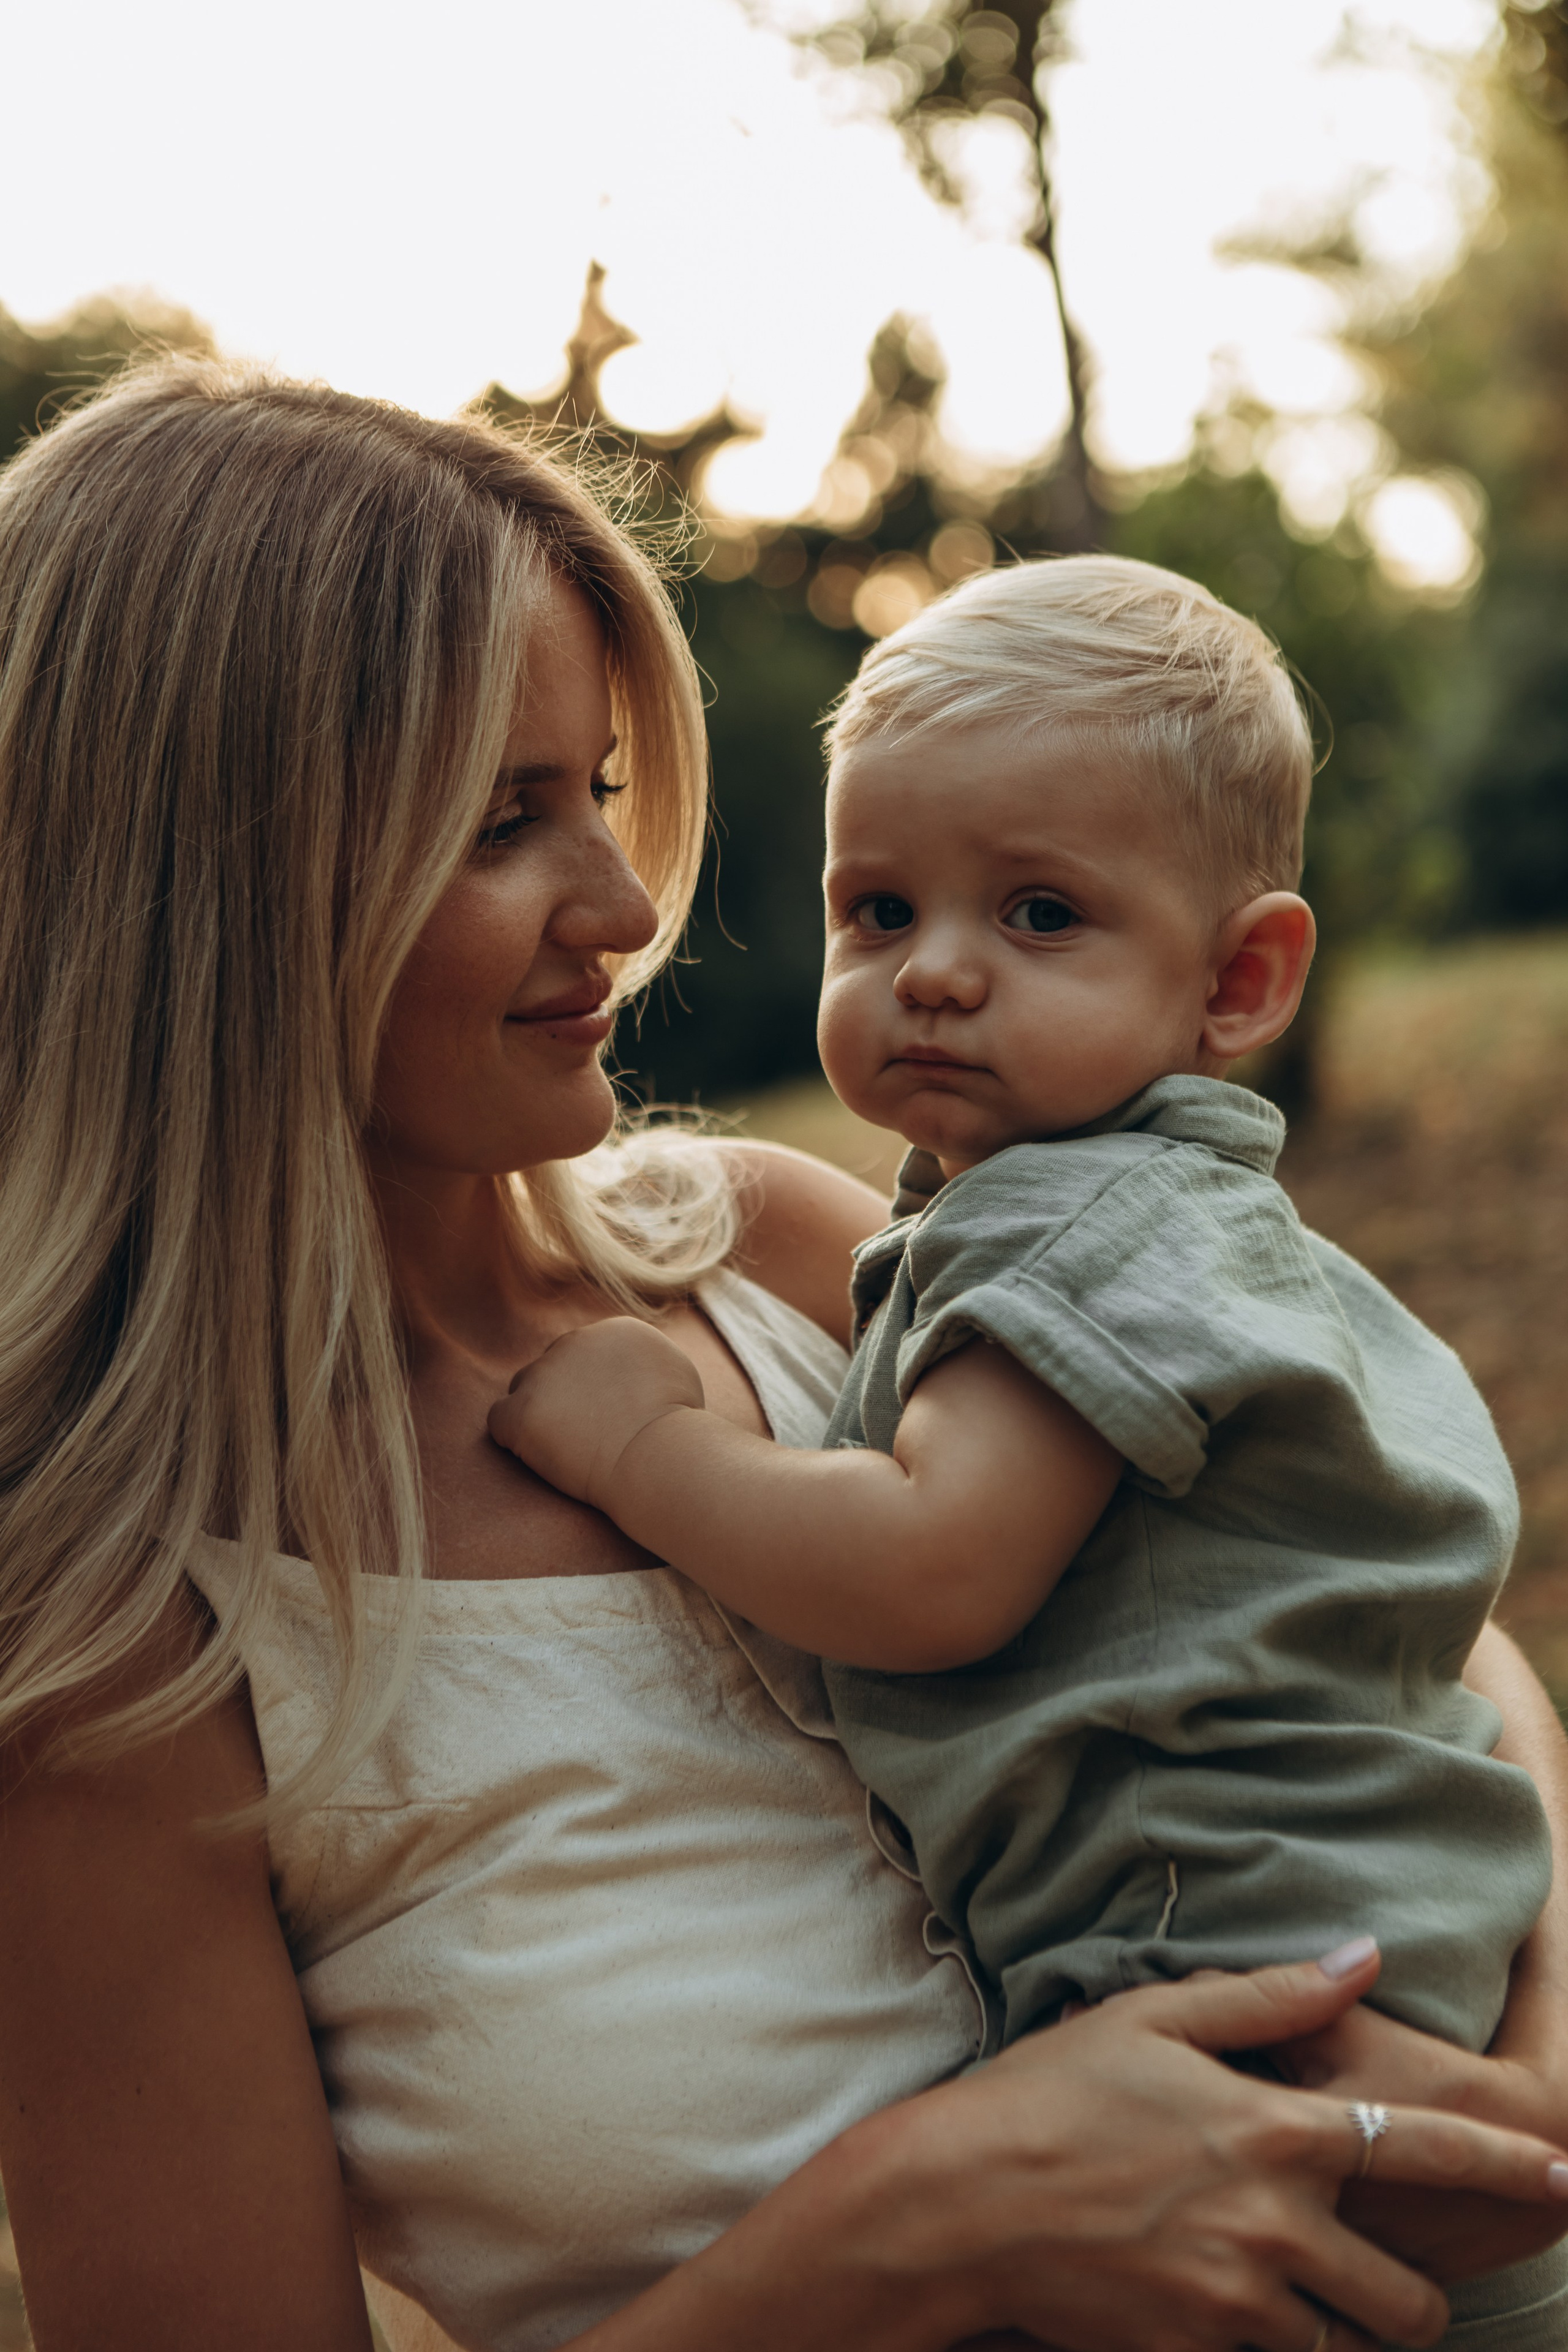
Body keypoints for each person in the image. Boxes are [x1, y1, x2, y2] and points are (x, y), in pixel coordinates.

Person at [0, 368, 1565, 2352]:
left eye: (606, 794)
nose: (627, 908)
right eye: (505, 822)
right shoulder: (118, 1659)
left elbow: (1381, 1616)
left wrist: (1529, 2057)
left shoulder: (788, 1251)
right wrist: (929, 2222)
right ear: (207, 894)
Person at [488, 555, 1545, 2049]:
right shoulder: (1164, 1221)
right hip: (1346, 1931)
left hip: (1215, 1957)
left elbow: (930, 1571)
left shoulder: (1080, 1229)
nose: (932, 972)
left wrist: (641, 1454)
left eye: (1038, 914)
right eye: (879, 909)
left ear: (1237, 981)